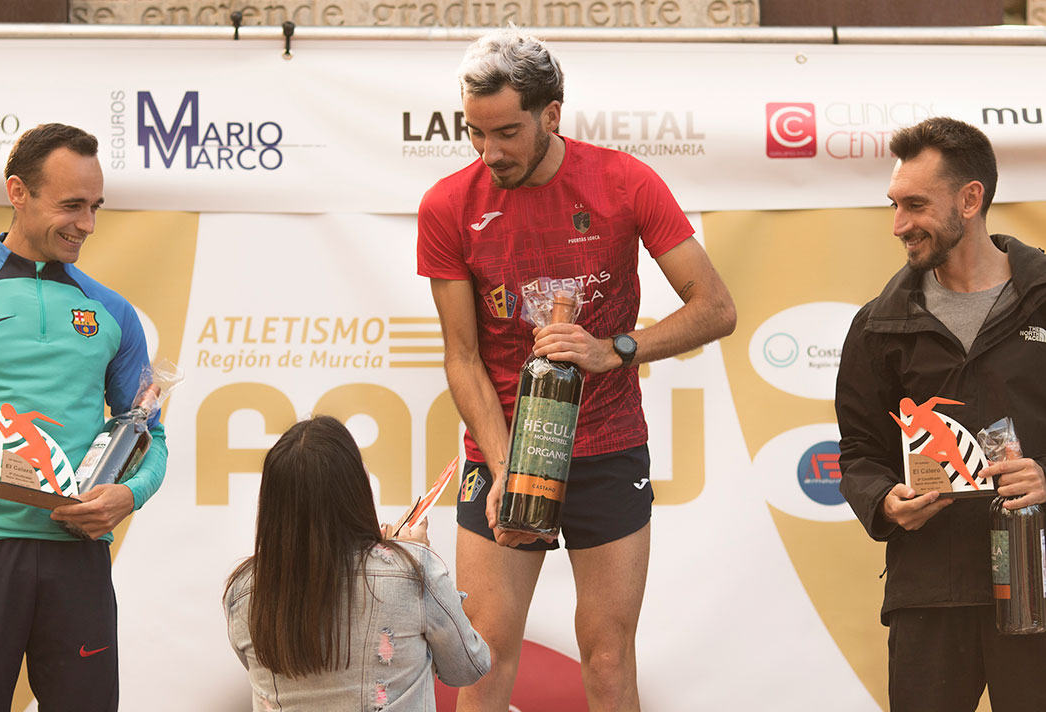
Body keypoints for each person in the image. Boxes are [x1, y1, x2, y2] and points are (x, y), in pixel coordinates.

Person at [416, 28, 736, 711]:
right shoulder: (447, 205)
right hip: (504, 447)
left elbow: (716, 309)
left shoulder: (624, 182)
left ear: (551, 115)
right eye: (474, 132)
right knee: (484, 654)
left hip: (606, 445)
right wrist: (504, 463)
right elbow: (462, 357)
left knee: (609, 655)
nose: (489, 152)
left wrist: (615, 349)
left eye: (507, 132)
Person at [836, 116, 1046, 712]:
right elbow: (859, 453)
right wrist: (884, 501)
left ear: (970, 200)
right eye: (895, 205)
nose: (899, 224)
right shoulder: (878, 324)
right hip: (930, 592)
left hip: (1039, 585)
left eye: (916, 205)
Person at [0, 123, 168, 710]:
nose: (86, 223)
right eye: (71, 205)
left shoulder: (112, 312)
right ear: (18, 192)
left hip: (77, 554)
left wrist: (129, 495)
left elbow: (150, 436)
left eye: (95, 207)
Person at [223, 415, 490, 711]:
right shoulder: (413, 572)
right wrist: (411, 558)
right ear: (354, 490)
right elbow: (468, 666)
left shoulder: (243, 591)